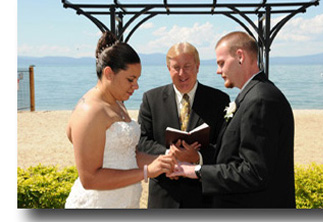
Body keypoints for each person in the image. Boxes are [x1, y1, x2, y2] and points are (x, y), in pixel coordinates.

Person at [169, 31, 296, 208]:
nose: (218, 70)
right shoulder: (253, 95)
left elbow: (254, 172)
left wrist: (196, 171)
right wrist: (197, 158)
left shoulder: (260, 100)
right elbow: (231, 155)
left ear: (240, 57)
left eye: (221, 63)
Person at [65, 31, 175, 209]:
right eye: (130, 79)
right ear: (109, 73)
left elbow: (128, 155)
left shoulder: (118, 103)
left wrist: (162, 160)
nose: (136, 86)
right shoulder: (89, 111)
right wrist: (147, 172)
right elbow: (90, 179)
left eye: (137, 79)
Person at [137, 42, 230, 208]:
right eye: (176, 67)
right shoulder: (151, 99)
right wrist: (169, 156)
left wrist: (197, 157)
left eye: (187, 66)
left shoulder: (219, 100)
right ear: (168, 68)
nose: (182, 73)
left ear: (197, 66)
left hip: (203, 198)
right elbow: (141, 141)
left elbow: (225, 147)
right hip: (163, 196)